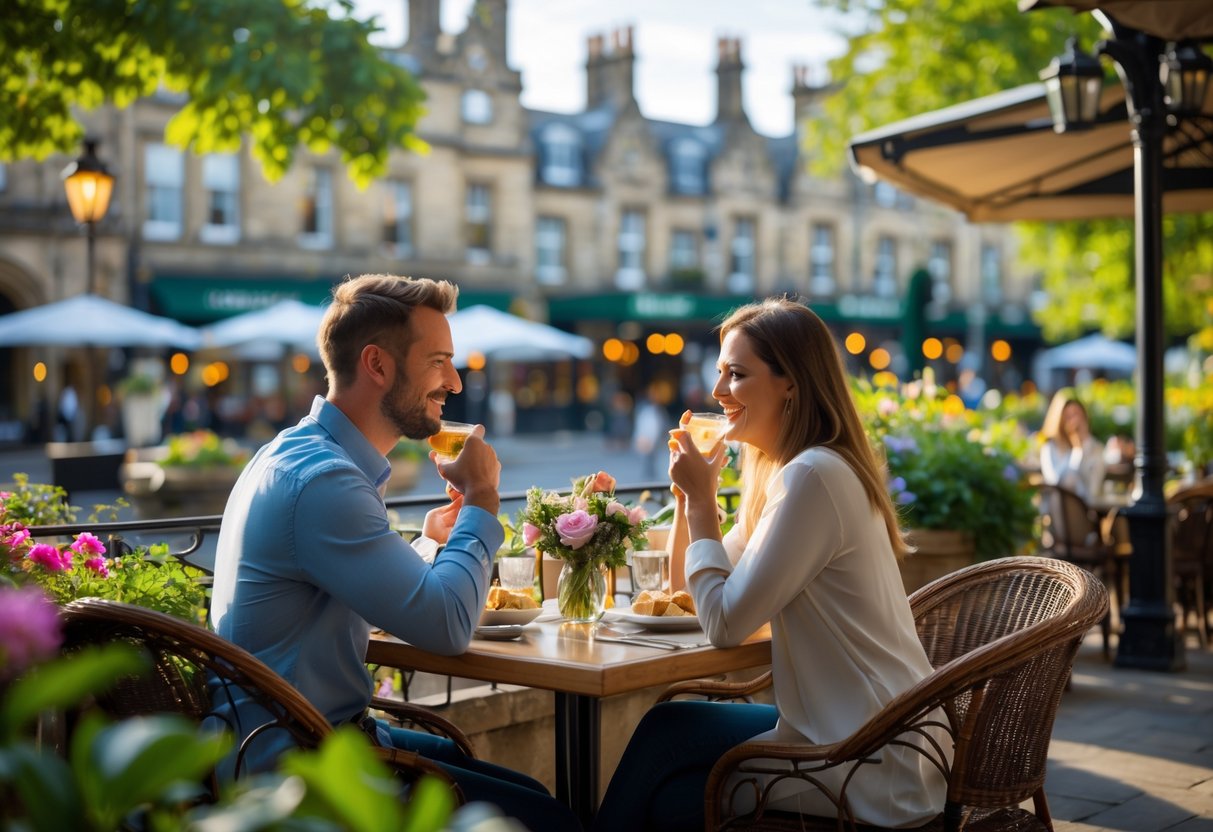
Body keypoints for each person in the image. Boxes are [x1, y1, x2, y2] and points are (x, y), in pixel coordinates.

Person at [209, 274, 579, 832]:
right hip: (295, 773)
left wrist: (429, 543)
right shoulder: (325, 482)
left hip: (302, 737)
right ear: (378, 365)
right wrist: (481, 497)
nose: (454, 381)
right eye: (438, 361)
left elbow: (345, 585)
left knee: (522, 791)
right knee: (552, 819)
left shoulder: (299, 454)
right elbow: (450, 625)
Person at [593, 298, 947, 831]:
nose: (716, 393)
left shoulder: (813, 476)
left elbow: (726, 625)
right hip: (860, 731)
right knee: (668, 730)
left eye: (736, 375)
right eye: (719, 373)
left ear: (792, 383)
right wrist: (690, 498)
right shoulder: (792, 473)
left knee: (671, 797)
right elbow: (684, 591)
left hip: (870, 758)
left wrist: (704, 504)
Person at [1040, 392, 1106, 502]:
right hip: (1059, 510)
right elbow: (1056, 481)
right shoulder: (1050, 448)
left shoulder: (1095, 447)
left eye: (1078, 415)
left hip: (1086, 510)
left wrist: (1084, 443)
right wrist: (1076, 451)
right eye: (1069, 416)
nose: (1075, 421)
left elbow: (1093, 489)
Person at [632, 385, 671, 480]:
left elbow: (662, 427)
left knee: (651, 464)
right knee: (647, 465)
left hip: (653, 443)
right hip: (646, 441)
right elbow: (644, 428)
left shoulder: (659, 411)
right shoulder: (646, 411)